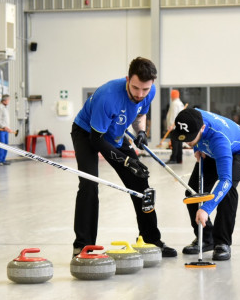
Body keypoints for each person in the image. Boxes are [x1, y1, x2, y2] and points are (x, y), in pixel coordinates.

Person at [71, 57, 177, 258]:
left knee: (140, 180)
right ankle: (83, 246)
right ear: (128, 79)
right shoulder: (107, 96)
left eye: (145, 90)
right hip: (88, 134)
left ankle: (150, 239)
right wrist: (126, 160)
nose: (139, 94)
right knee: (89, 183)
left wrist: (141, 132)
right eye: (135, 88)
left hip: (114, 133)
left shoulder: (148, 91)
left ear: (152, 84)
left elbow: (139, 114)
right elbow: (96, 141)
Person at [174, 108, 240, 260]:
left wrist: (206, 209)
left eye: (190, 138)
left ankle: (222, 242)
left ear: (202, 128)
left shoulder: (219, 139)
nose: (187, 142)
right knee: (193, 192)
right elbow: (193, 130)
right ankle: (206, 238)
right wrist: (197, 147)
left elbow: (225, 180)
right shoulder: (192, 116)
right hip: (211, 149)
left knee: (227, 191)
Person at [165, 89, 184, 164]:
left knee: (175, 144)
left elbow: (173, 116)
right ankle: (179, 159)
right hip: (179, 127)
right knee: (179, 144)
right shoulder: (180, 103)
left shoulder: (174, 104)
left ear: (173, 95)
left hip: (174, 127)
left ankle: (173, 159)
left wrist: (170, 125)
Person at [0, 94, 14, 166]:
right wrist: (4, 127)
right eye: (8, 100)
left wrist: (7, 127)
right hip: (1, 130)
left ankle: (3, 160)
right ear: (4, 100)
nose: (9, 101)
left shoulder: (5, 108)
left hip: (5, 130)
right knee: (1, 145)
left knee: (6, 145)